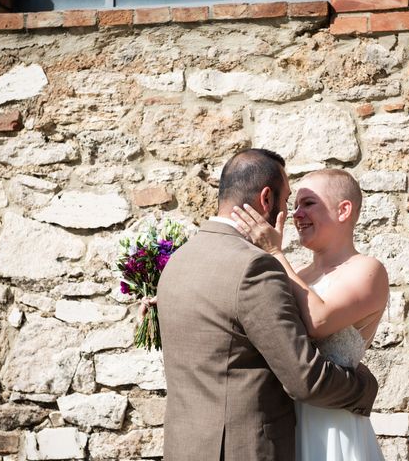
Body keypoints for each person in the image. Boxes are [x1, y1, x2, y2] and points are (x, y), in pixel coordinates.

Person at [157, 150, 379, 461]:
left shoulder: (179, 261)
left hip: (187, 445)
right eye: (288, 201)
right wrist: (364, 387)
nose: (291, 213)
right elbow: (306, 379)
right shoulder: (255, 267)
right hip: (242, 447)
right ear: (266, 199)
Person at [230, 168, 389, 461]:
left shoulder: (368, 269)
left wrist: (275, 254)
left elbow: (318, 322)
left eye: (308, 204)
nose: (296, 214)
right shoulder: (299, 274)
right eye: (295, 206)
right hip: (286, 421)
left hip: (332, 427)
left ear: (343, 210)